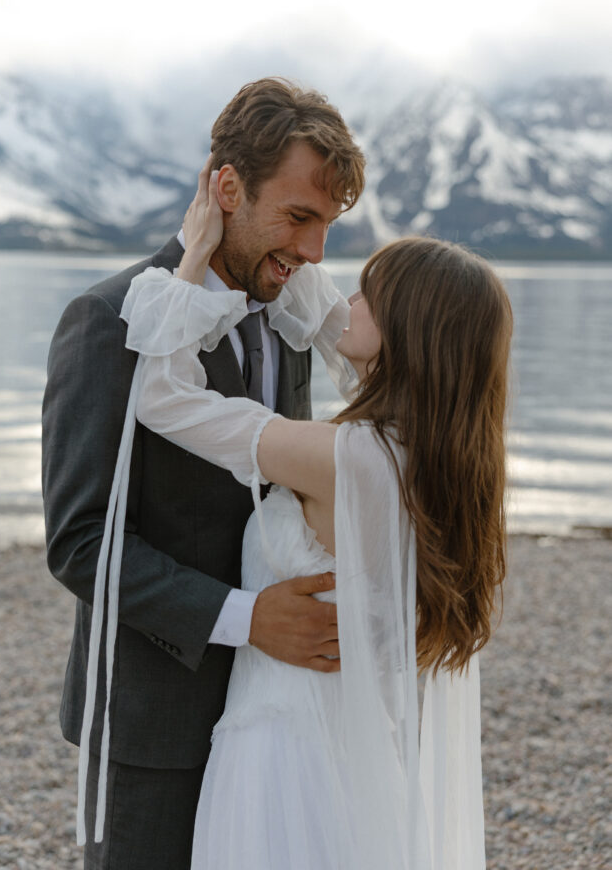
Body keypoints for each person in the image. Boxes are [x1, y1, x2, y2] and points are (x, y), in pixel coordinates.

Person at [117, 171, 513, 869]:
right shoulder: (443, 457)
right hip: (357, 750)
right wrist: (279, 253)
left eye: (369, 294)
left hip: (283, 753)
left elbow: (163, 397)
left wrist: (194, 259)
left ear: (408, 333)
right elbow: (342, 335)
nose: (344, 298)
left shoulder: (348, 458)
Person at [41, 77, 366, 869]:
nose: (315, 251)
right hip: (153, 717)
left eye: (326, 223)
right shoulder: (107, 321)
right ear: (227, 187)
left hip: (276, 710)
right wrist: (244, 616)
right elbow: (80, 542)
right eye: (298, 217)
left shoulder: (287, 318)